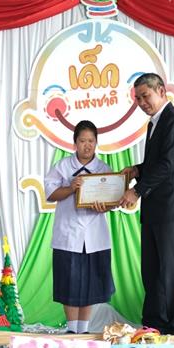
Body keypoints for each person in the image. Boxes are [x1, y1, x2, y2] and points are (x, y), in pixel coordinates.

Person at [118, 73, 174, 335]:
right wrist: (137, 169)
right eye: (137, 98)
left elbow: (168, 165)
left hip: (171, 208)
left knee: (170, 270)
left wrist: (136, 191)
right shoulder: (154, 123)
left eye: (145, 96)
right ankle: (153, 324)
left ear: (161, 91)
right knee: (151, 270)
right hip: (154, 209)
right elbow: (156, 163)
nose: (141, 103)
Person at [45, 120, 115, 334]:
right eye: (83, 141)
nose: (87, 145)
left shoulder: (103, 169)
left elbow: (112, 200)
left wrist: (105, 206)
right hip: (68, 234)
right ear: (75, 143)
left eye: (91, 141)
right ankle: (71, 329)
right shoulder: (63, 167)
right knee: (69, 282)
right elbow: (51, 194)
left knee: (91, 283)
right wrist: (70, 187)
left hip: (95, 235)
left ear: (96, 143)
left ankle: (83, 330)